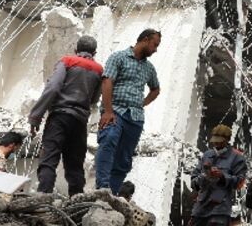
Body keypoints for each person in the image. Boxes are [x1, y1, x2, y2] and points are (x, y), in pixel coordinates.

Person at [29, 35, 103, 195]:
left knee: (49, 158)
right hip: (80, 121)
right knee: (75, 165)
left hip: (60, 117)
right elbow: (95, 99)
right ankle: (76, 203)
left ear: (76, 50)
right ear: (94, 52)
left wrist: (35, 116)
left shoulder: (67, 61)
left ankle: (43, 197)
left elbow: (53, 87)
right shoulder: (99, 70)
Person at [95, 29, 162, 193]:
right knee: (108, 140)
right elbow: (107, 82)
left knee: (124, 159)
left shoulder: (149, 68)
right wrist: (108, 111)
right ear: (145, 40)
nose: (155, 50)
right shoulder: (118, 57)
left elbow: (155, 89)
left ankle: (113, 192)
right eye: (155, 45)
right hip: (115, 111)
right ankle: (102, 188)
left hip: (135, 118)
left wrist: (142, 103)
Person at [190, 125, 247, 226]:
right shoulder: (207, 155)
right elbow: (194, 181)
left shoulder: (237, 158)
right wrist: (204, 176)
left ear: (227, 139)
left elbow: (239, 182)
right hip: (201, 209)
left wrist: (222, 176)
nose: (216, 143)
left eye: (220, 140)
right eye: (215, 140)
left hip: (220, 210)